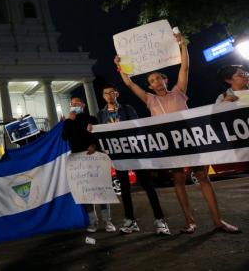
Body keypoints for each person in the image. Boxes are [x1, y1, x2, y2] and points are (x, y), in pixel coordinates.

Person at [115, 30, 240, 234]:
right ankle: (189, 222)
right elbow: (129, 83)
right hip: (171, 144)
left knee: (203, 177)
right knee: (178, 180)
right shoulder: (149, 99)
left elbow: (185, 67)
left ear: (165, 80)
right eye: (152, 81)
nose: (156, 82)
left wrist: (182, 44)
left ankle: (218, 221)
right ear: (150, 86)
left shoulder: (179, 91)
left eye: (159, 78)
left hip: (190, 140)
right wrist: (120, 66)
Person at [97, 84, 170, 235]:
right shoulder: (101, 115)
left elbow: (137, 127)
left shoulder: (127, 109)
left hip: (134, 151)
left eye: (112, 92)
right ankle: (130, 221)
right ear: (103, 97)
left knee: (146, 184)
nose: (109, 95)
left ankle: (160, 220)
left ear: (117, 94)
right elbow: (101, 134)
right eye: (106, 93)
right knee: (124, 188)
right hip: (118, 154)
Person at [61, 96, 116, 233]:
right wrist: (69, 120)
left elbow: (99, 136)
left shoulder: (91, 118)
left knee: (101, 190)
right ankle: (93, 222)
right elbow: (65, 137)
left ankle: (107, 221)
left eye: (77, 103)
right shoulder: (68, 121)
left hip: (94, 157)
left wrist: (94, 145)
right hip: (78, 160)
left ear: (83, 105)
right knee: (85, 192)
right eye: (72, 104)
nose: (75, 105)